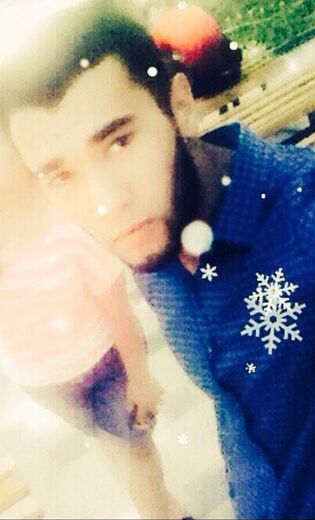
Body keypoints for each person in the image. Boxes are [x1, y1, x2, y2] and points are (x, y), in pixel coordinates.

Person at [3, 4, 315, 519]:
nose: (105, 202)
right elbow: (235, 402)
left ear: (180, 104)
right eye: (62, 175)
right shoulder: (152, 247)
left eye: (119, 141)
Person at [0, 130, 187, 520]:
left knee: (133, 444)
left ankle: (162, 512)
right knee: (109, 439)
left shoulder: (66, 223)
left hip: (104, 363)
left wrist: (139, 376)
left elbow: (118, 310)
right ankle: (156, 499)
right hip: (42, 382)